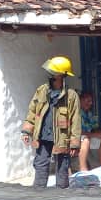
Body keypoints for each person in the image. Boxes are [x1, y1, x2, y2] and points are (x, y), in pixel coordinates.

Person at [21, 56, 81, 188]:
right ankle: (38, 194)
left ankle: (61, 195)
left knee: (62, 168)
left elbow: (75, 120)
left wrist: (75, 143)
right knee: (41, 164)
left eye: (53, 71)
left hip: (62, 138)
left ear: (61, 75)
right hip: (43, 136)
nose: (49, 74)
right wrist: (26, 131)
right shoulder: (42, 90)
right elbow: (32, 112)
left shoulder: (71, 96)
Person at [77, 91, 101, 173]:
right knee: (86, 140)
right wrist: (96, 134)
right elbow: (79, 132)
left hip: (89, 136)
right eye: (88, 101)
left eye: (91, 101)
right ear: (81, 100)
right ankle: (83, 169)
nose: (90, 103)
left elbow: (94, 128)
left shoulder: (89, 114)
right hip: (78, 138)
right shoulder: (77, 113)